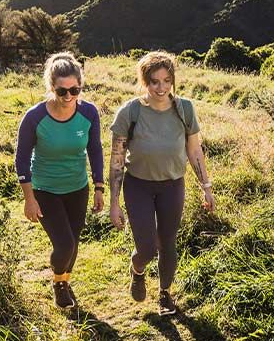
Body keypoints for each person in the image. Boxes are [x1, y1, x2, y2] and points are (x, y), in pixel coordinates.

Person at [109, 51, 215, 316]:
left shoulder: (184, 109)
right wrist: (114, 203)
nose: (161, 87)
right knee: (146, 247)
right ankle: (138, 269)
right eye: (155, 81)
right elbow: (117, 160)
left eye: (167, 80)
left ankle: (165, 294)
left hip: (172, 185)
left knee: (168, 242)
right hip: (138, 186)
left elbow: (194, 151)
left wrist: (206, 187)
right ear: (144, 81)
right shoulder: (130, 112)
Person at [16, 52, 105, 310]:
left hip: (78, 187)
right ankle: (58, 282)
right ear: (51, 88)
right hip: (45, 189)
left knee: (73, 242)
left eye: (74, 90)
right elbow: (21, 159)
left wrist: (99, 187)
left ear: (80, 86)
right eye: (62, 91)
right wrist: (29, 199)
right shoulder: (34, 117)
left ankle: (64, 279)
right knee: (64, 244)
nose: (68, 97)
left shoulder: (88, 113)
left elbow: (95, 150)